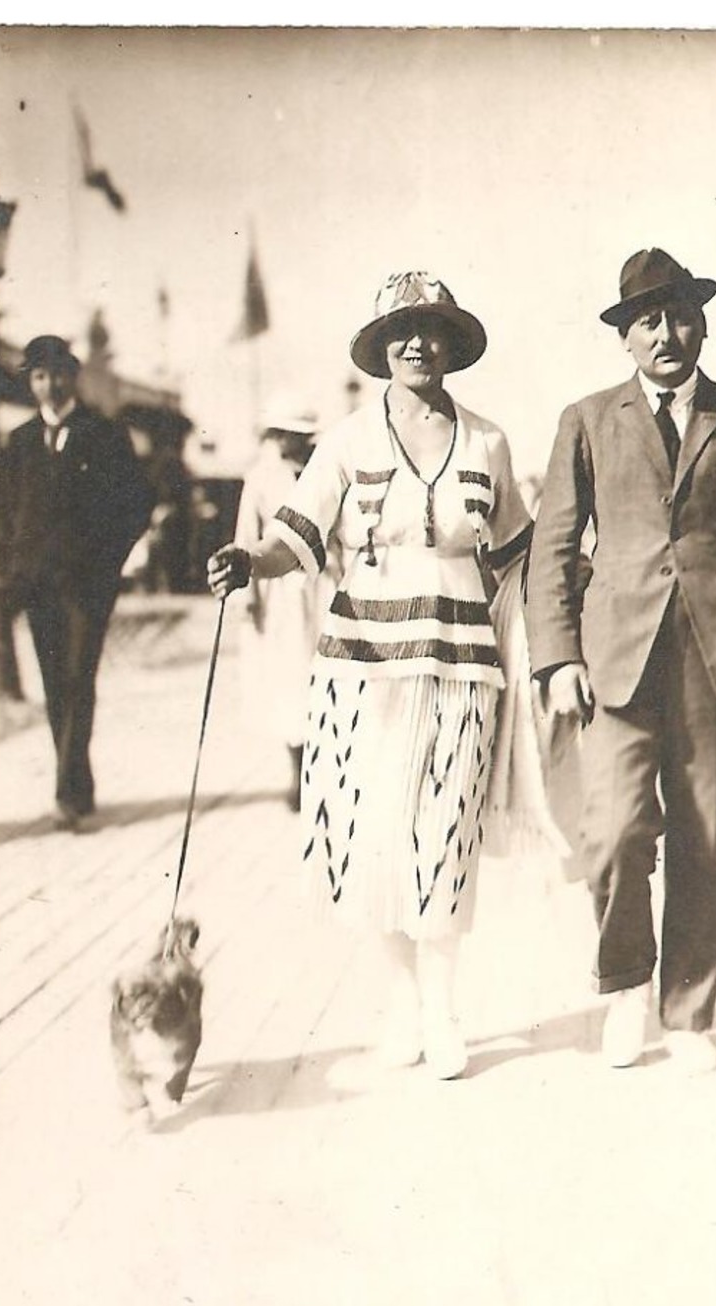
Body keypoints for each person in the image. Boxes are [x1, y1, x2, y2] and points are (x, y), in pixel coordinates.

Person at [208, 272, 532, 1078]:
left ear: (452, 343)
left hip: (460, 666)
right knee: (369, 834)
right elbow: (294, 537)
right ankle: (400, 1007)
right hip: (358, 667)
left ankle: (443, 1010)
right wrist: (247, 559)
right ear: (381, 346)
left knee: (445, 835)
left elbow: (522, 554)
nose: (416, 342)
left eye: (431, 328)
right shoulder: (346, 441)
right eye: (401, 330)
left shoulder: (489, 441)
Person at [526, 247, 716, 1073]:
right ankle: (626, 987)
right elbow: (552, 546)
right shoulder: (585, 420)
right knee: (616, 829)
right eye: (647, 320)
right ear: (624, 336)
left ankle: (688, 1010)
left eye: (681, 314)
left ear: (702, 323)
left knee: (706, 833)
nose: (666, 332)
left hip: (714, 659)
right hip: (614, 663)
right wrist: (554, 656)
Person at [3, 334, 152, 830]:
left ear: (74, 375)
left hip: (87, 586)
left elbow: (137, 503)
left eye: (58, 374)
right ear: (31, 382)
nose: (50, 385)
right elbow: (4, 511)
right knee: (53, 684)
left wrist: (108, 562)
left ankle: (69, 792)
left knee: (78, 679)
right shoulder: (21, 441)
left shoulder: (103, 434)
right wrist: (16, 568)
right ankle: (75, 787)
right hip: (38, 584)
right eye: (40, 376)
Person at [231, 393, 325, 810]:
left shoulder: (327, 469)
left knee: (325, 675)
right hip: (281, 594)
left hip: (326, 586)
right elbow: (246, 536)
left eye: (295, 435)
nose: (287, 442)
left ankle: (327, 768)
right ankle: (297, 769)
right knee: (289, 681)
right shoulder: (262, 477)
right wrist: (247, 594)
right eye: (281, 434)